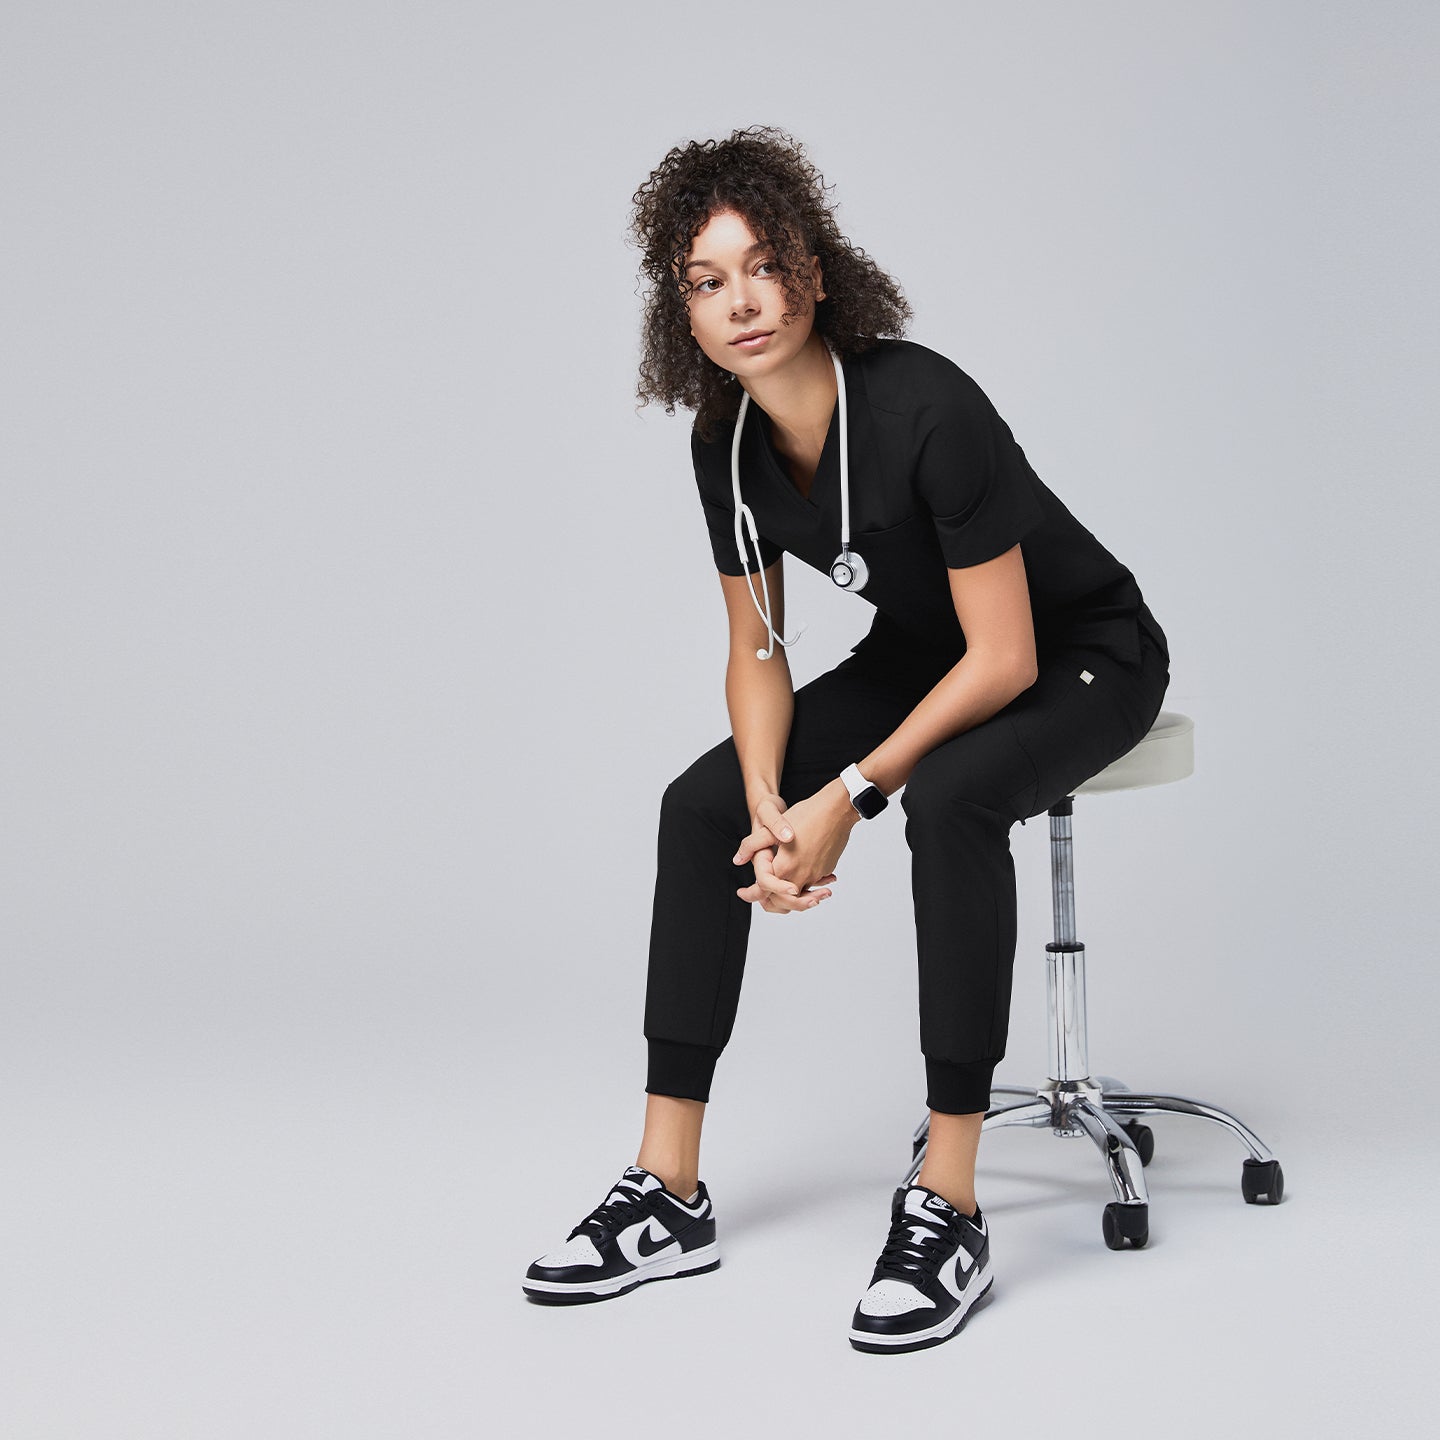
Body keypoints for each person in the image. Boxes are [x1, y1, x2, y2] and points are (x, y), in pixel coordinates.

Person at [522, 126, 1170, 1354]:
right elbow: (757, 648)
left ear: (814, 271)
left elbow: (1009, 659)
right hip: (934, 652)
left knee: (956, 798)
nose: (741, 301)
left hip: (1081, 649)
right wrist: (773, 799)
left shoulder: (926, 405)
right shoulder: (724, 445)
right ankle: (668, 1190)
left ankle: (949, 1202)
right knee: (698, 805)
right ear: (684, 315)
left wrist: (850, 800)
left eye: (762, 265)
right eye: (706, 282)